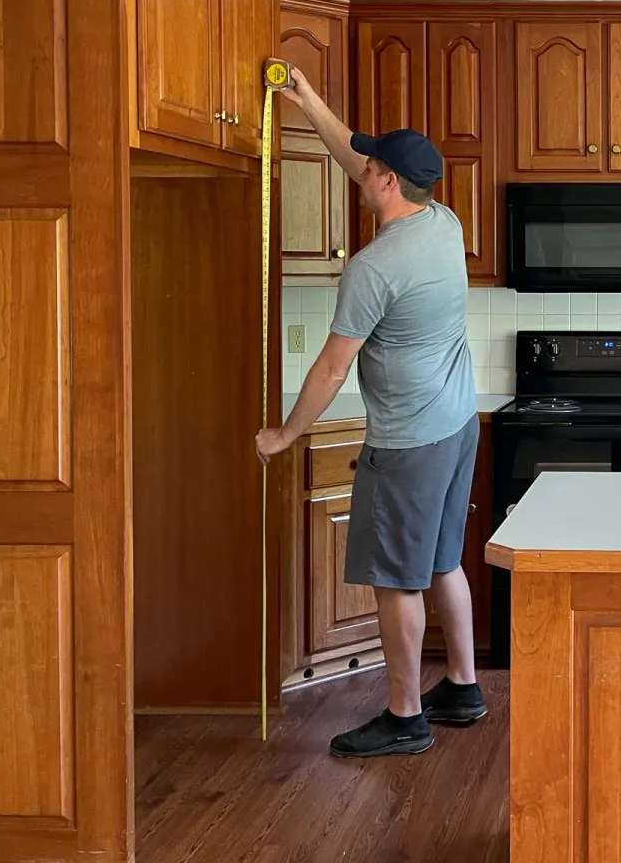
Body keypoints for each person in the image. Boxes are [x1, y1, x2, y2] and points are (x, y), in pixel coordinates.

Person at [255, 66, 484, 758]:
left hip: (409, 442)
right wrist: (310, 102)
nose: (364, 168)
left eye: (371, 166)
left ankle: (406, 714)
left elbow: (331, 368)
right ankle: (464, 688)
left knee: (396, 578)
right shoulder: (444, 223)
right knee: (445, 561)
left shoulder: (373, 267)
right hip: (457, 426)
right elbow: (360, 155)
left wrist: (285, 435)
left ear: (385, 181)